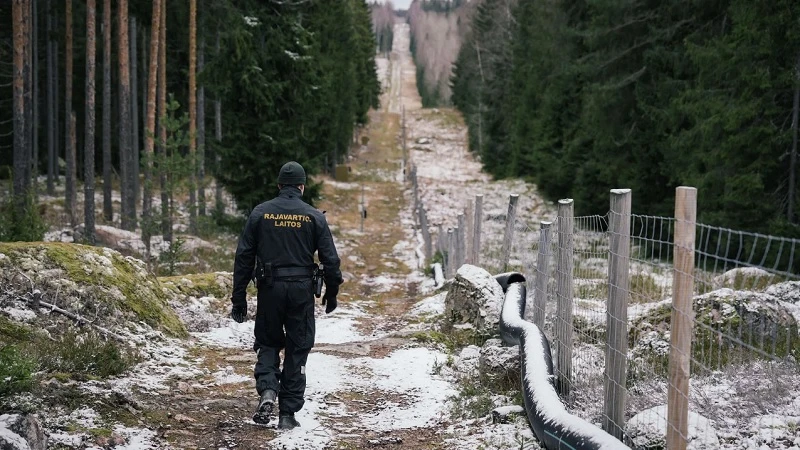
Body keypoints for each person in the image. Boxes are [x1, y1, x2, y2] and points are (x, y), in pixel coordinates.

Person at [230, 161, 342, 430]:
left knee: (268, 342)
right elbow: (331, 261)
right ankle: (288, 413)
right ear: (302, 186)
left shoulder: (260, 213)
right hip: (302, 291)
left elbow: (244, 257)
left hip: (269, 289)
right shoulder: (314, 216)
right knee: (297, 348)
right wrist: (332, 292)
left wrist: (239, 297)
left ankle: (268, 390)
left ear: (280, 185)